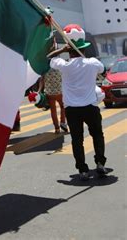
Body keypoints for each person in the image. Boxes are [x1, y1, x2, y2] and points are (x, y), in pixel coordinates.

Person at [48, 24, 108, 181]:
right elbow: (103, 70)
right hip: (90, 107)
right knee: (97, 135)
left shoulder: (64, 66)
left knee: (77, 140)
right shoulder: (93, 63)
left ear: (70, 50)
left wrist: (62, 50)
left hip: (72, 109)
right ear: (83, 49)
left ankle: (82, 170)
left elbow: (50, 58)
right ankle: (100, 163)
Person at [38, 69, 68, 134]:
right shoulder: (60, 68)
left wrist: (39, 91)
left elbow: (41, 80)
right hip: (60, 92)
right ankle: (62, 123)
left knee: (53, 111)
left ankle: (56, 128)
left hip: (50, 93)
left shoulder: (44, 69)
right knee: (63, 107)